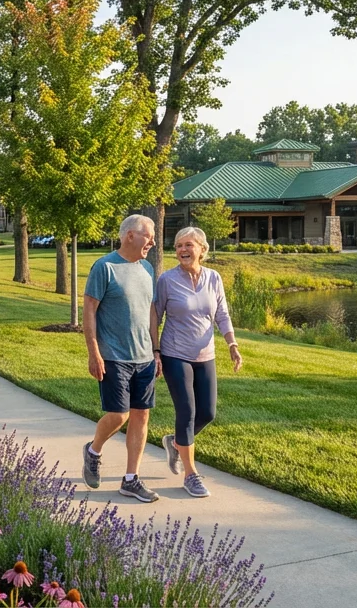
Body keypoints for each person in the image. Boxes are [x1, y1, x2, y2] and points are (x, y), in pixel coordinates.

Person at [152, 226, 242, 498]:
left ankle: (176, 442)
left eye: (188, 245)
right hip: (175, 353)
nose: (182, 250)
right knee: (187, 411)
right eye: (179, 245)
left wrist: (232, 344)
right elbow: (155, 316)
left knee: (208, 413)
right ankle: (191, 475)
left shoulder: (214, 278)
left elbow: (222, 314)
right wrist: (156, 351)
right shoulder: (167, 280)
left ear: (202, 249)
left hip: (206, 354)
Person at [81, 214, 159, 503]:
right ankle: (93, 450)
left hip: (144, 357)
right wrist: (94, 352)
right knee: (119, 415)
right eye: (148, 236)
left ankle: (130, 479)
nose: (152, 242)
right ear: (130, 236)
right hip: (114, 355)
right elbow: (89, 310)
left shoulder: (147, 268)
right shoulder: (104, 267)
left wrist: (156, 351)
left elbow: (150, 311)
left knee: (141, 415)